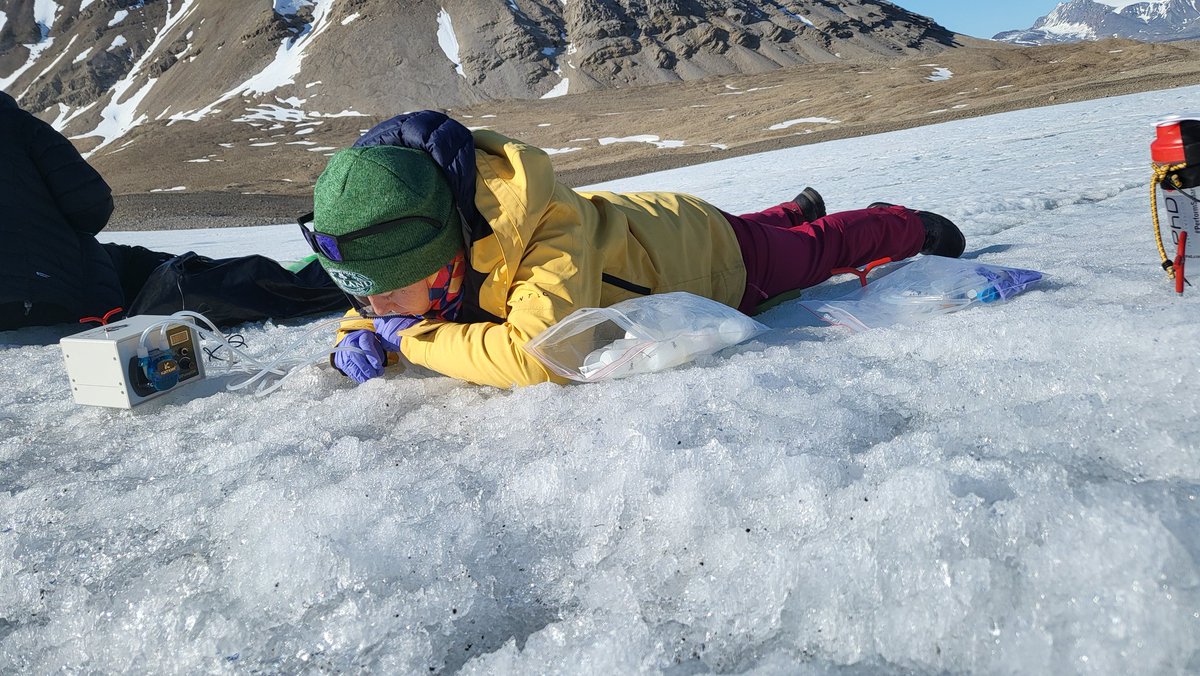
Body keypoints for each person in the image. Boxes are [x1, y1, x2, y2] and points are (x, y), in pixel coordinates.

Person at [305, 110, 965, 388]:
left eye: (385, 288)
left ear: (444, 255)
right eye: (360, 290)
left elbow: (539, 357)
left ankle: (897, 222)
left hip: (709, 258)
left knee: (810, 255)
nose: (375, 303)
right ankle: (790, 210)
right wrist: (357, 330)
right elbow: (383, 296)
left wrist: (408, 338)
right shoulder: (429, 260)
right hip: (647, 232)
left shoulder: (544, 234)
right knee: (776, 228)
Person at [0, 90, 346, 331]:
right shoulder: (17, 125)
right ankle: (325, 280)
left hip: (35, 296)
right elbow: (91, 208)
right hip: (53, 296)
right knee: (171, 276)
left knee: (130, 262)